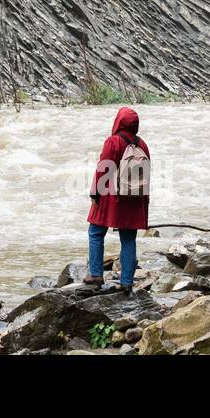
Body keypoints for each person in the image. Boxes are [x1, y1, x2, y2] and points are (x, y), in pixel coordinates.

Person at [85, 106, 150, 291]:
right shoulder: (142, 145)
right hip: (135, 198)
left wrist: (94, 193)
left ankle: (96, 274)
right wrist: (145, 201)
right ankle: (127, 283)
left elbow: (103, 169)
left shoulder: (113, 142)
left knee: (96, 232)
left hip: (111, 197)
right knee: (128, 239)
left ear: (118, 122)